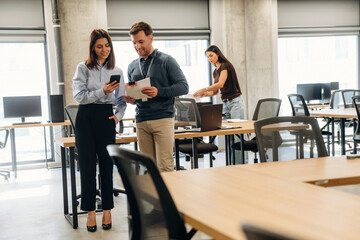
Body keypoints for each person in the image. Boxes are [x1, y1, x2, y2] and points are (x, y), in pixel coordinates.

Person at [72, 29, 126, 232]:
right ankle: (90, 212)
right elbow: (79, 97)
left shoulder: (118, 70)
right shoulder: (83, 68)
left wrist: (117, 117)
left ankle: (108, 211)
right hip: (86, 117)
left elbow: (121, 101)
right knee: (87, 167)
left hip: (106, 118)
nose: (104, 50)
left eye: (107, 45)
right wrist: (102, 91)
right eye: (99, 46)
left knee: (106, 166)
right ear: (93, 48)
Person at [125, 21, 188, 172]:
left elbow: (183, 86)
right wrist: (131, 99)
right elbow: (136, 94)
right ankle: (151, 196)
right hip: (141, 120)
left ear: (151, 38)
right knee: (148, 168)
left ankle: (167, 196)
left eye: (141, 42)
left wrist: (158, 91)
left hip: (162, 119)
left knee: (165, 166)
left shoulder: (166, 61)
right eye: (134, 43)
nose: (138, 47)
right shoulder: (132, 66)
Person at [194, 45, 245, 119]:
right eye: (208, 57)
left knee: (237, 127)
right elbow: (215, 91)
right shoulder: (215, 72)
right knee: (226, 128)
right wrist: (205, 94)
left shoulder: (224, 66)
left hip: (235, 102)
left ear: (217, 54)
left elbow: (220, 84)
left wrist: (204, 89)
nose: (209, 58)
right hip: (225, 103)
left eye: (211, 55)